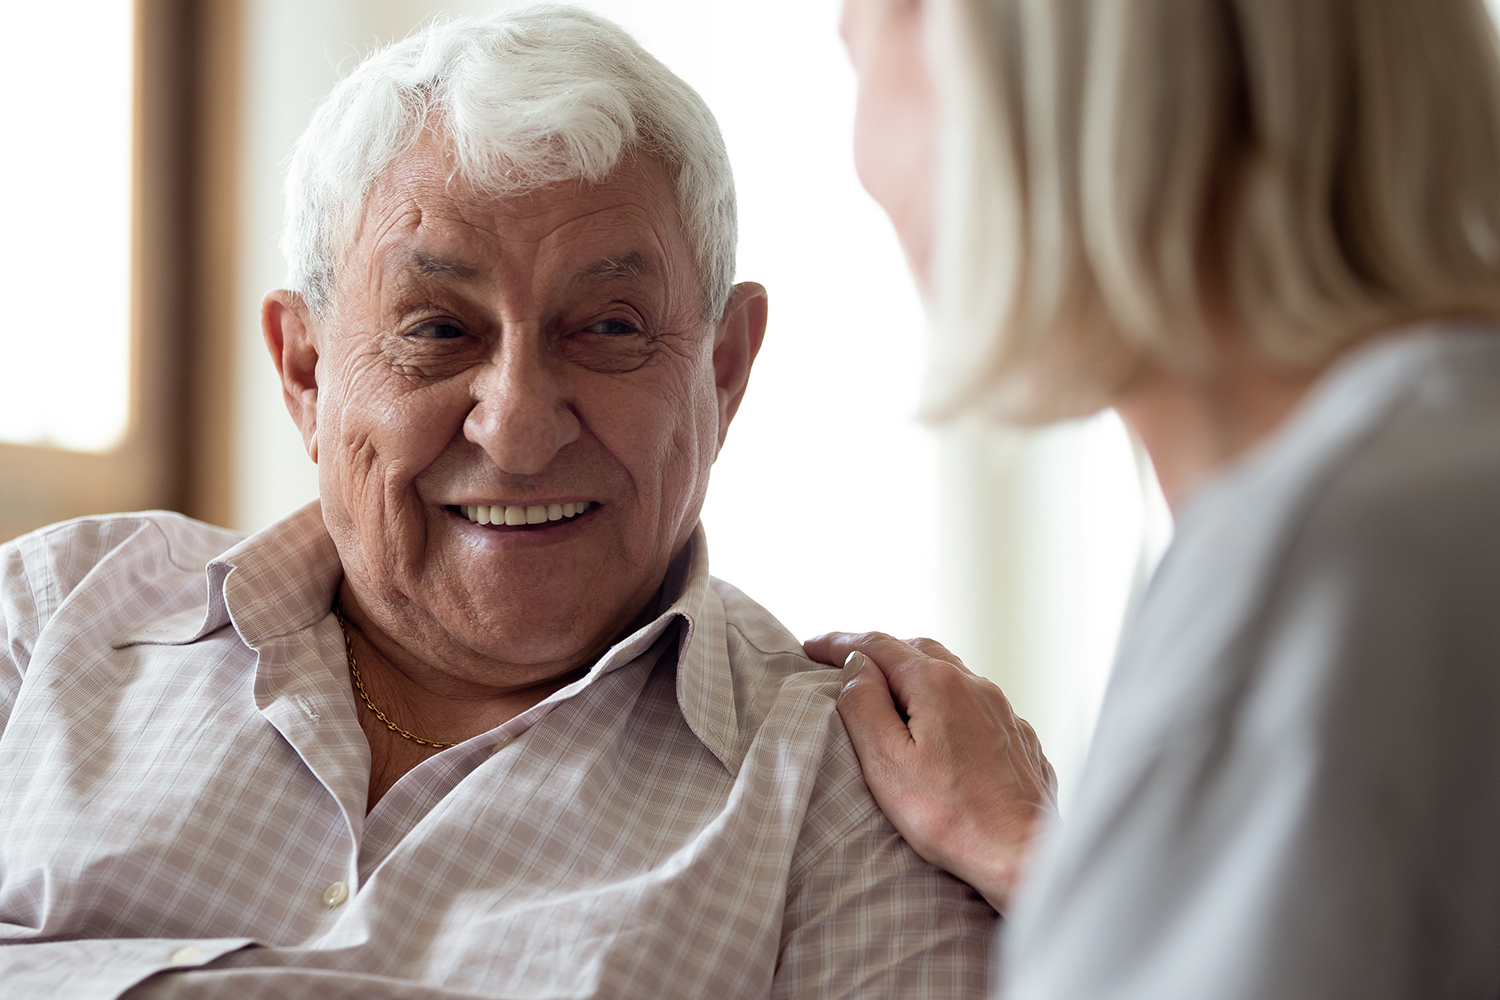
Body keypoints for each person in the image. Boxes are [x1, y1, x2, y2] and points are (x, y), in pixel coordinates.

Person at [0, 9, 996, 998]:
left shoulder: (856, 794)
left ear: (724, 370)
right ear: (305, 373)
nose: (517, 428)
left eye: (608, 325)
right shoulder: (42, 619)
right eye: (437, 330)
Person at [812, 0, 1500, 996]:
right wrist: (1062, 865)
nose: (863, 161)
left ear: (1018, 74)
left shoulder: (1313, 574)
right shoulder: (1431, 481)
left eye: (863, 47)